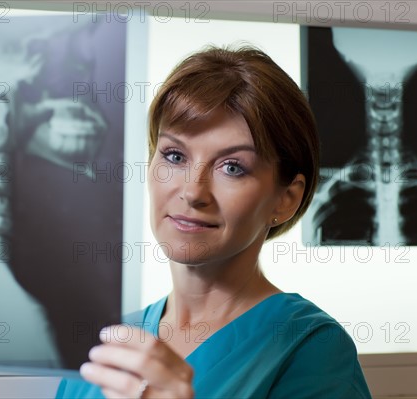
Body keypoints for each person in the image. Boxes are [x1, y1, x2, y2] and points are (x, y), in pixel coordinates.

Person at [56, 46, 372, 398]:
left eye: (233, 167)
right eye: (174, 156)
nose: (193, 191)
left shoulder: (311, 349)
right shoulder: (104, 341)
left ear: (287, 198)